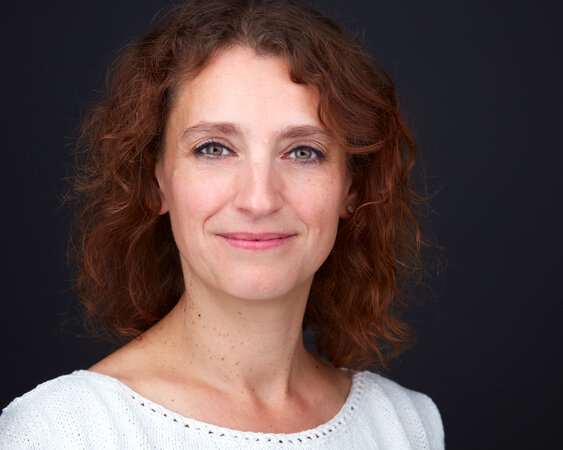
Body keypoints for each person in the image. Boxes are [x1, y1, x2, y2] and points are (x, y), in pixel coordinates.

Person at [0, 0, 444, 448]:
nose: (259, 200)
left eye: (303, 152)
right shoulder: (61, 431)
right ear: (156, 182)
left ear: (351, 187)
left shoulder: (407, 425)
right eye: (213, 148)